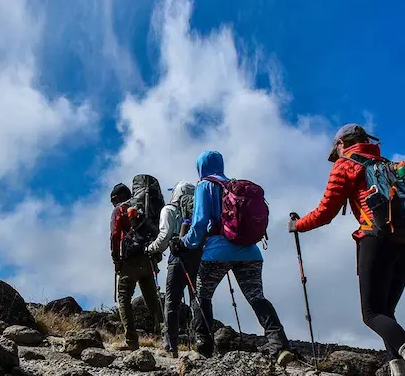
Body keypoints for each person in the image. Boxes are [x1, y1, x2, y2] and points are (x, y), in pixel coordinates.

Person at [290, 123, 405, 376]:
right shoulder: (387, 165)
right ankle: (400, 372)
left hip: (375, 239)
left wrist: (297, 225)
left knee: (371, 314)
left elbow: (325, 212)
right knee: (386, 312)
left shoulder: (347, 164)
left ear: (341, 144)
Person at [175, 150, 294, 364]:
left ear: (201, 166)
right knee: (256, 296)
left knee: (202, 295)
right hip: (250, 251)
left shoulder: (204, 185)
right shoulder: (236, 186)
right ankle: (280, 345)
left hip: (217, 251)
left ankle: (204, 346)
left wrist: (183, 243)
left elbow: (200, 224)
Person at [110, 182, 163, 350]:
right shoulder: (143, 208)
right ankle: (168, 338)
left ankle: (131, 341)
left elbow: (115, 235)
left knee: (124, 297)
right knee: (152, 299)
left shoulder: (119, 210)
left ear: (117, 198)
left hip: (129, 260)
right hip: (148, 257)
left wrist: (116, 259)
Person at [147, 181, 197, 357]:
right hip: (198, 257)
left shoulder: (168, 210)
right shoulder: (197, 208)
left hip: (177, 258)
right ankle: (202, 343)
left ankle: (170, 345)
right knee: (197, 300)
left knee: (172, 302)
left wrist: (149, 248)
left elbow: (164, 237)